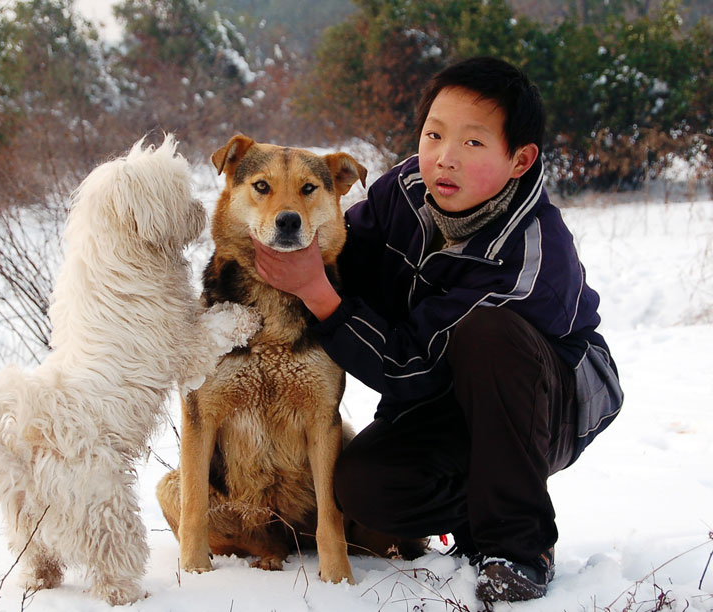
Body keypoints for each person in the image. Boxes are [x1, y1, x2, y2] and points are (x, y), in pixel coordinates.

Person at [251, 56, 623, 602]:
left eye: (473, 144)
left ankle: (519, 547)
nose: (444, 158)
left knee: (489, 333)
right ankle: (482, 509)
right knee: (364, 486)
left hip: (551, 401)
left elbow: (413, 366)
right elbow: (345, 255)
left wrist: (319, 294)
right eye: (434, 134)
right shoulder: (405, 188)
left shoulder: (532, 255)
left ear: (519, 159)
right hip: (450, 391)